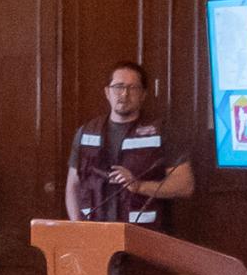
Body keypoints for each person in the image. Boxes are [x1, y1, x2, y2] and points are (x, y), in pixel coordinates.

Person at [64, 60, 192, 232]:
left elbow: (184, 185)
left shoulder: (162, 132)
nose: (124, 94)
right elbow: (73, 186)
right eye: (118, 87)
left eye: (133, 88)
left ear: (143, 94)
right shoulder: (86, 133)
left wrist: (139, 186)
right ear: (107, 92)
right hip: (95, 235)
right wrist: (78, 229)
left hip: (144, 236)